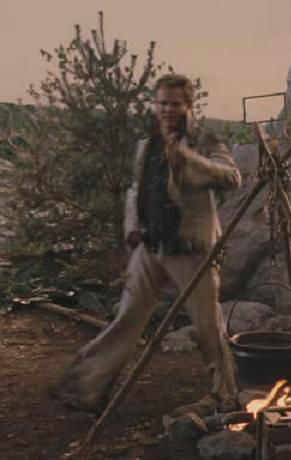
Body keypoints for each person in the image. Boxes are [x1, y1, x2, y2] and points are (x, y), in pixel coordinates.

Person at [51, 74, 242, 416]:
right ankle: (83, 389)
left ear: (188, 105)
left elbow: (232, 177)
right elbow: (135, 190)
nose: (167, 109)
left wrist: (187, 158)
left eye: (175, 104)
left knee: (207, 328)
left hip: (191, 250)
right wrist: (132, 227)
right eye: (162, 103)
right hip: (150, 247)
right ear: (155, 105)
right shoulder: (147, 144)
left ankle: (225, 396)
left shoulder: (205, 140)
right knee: (126, 318)